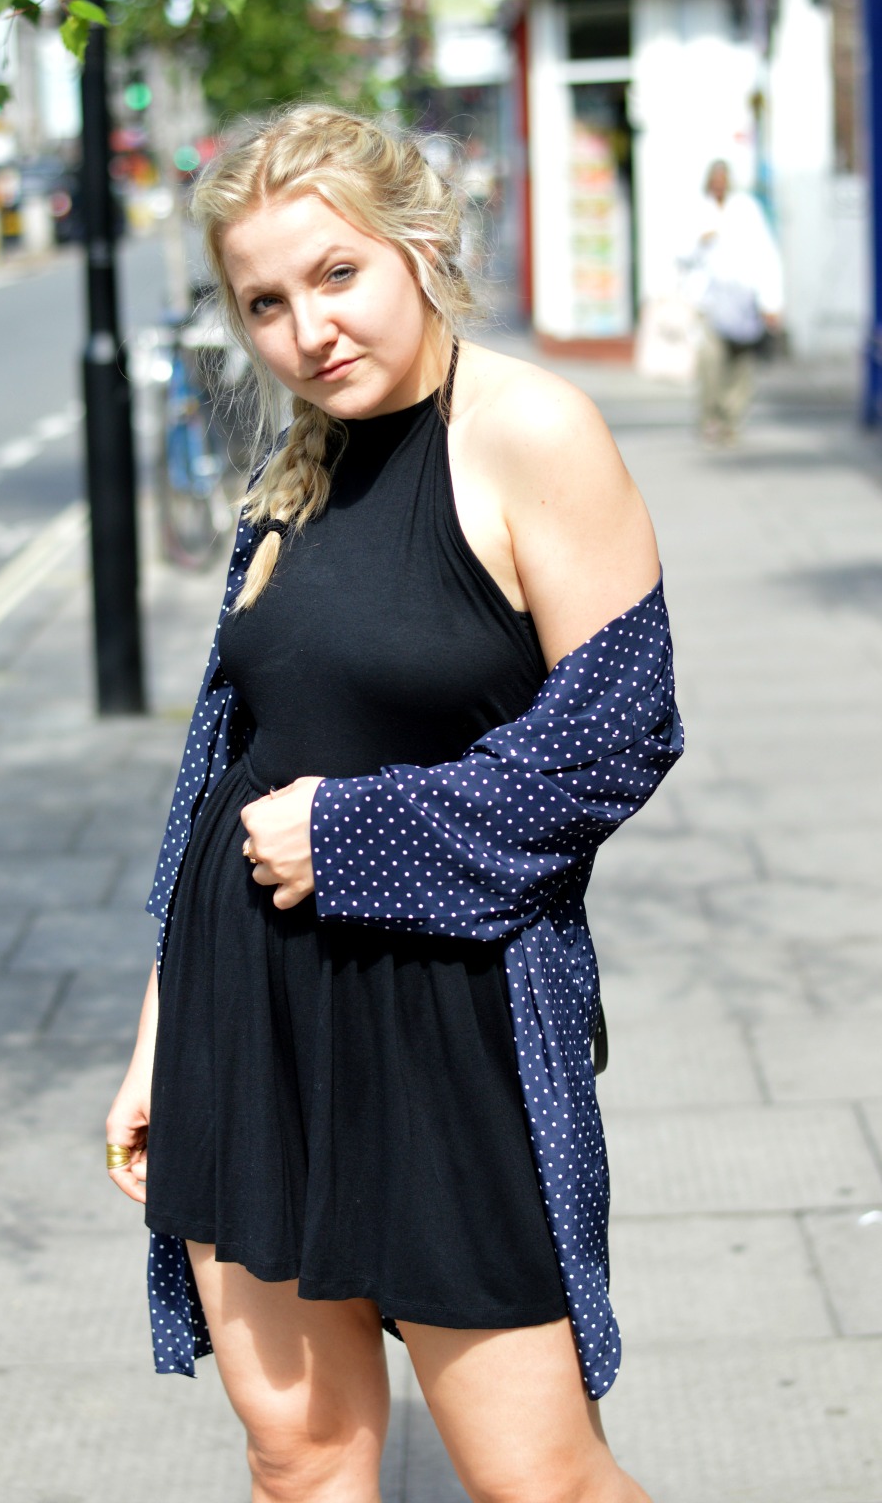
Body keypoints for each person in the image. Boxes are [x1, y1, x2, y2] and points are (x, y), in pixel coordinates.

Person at [106, 104, 682, 1503]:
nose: (307, 330)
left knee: (539, 1478)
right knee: (297, 1454)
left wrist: (354, 837)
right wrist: (158, 1040)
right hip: (248, 1010)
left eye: (337, 275)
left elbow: (619, 732)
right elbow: (225, 768)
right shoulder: (294, 471)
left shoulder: (529, 430)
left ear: (420, 244)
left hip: (445, 1018)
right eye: (265, 302)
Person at [687, 159, 784, 447]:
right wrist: (700, 241)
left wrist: (771, 301)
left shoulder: (746, 209)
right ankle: (710, 417)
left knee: (742, 366)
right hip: (710, 302)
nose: (719, 185)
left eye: (723, 180)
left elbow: (766, 254)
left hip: (744, 301)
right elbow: (679, 254)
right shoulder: (698, 210)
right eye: (714, 180)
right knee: (711, 362)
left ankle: (732, 421)